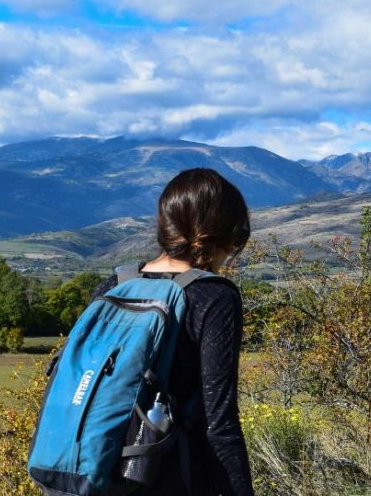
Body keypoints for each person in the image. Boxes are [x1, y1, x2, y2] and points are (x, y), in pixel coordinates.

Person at [91, 168, 254, 496]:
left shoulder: (114, 286)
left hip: (98, 475)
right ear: (225, 234)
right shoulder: (214, 297)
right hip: (173, 478)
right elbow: (219, 422)